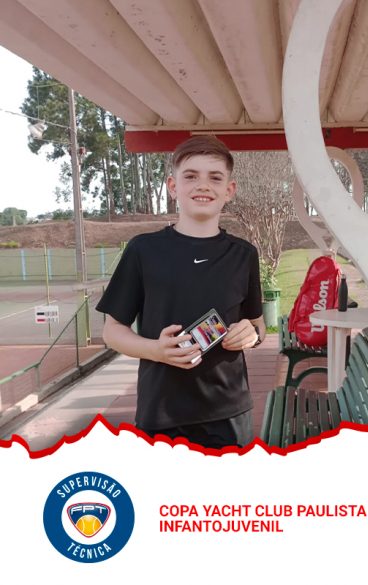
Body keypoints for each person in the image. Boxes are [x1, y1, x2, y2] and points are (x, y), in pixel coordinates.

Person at [96, 135, 266, 449]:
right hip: (161, 412)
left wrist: (251, 335)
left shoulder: (244, 255)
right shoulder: (143, 250)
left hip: (229, 412)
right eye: (191, 176)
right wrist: (156, 350)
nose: (203, 185)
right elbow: (112, 331)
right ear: (173, 187)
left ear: (229, 190)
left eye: (215, 177)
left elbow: (257, 324)